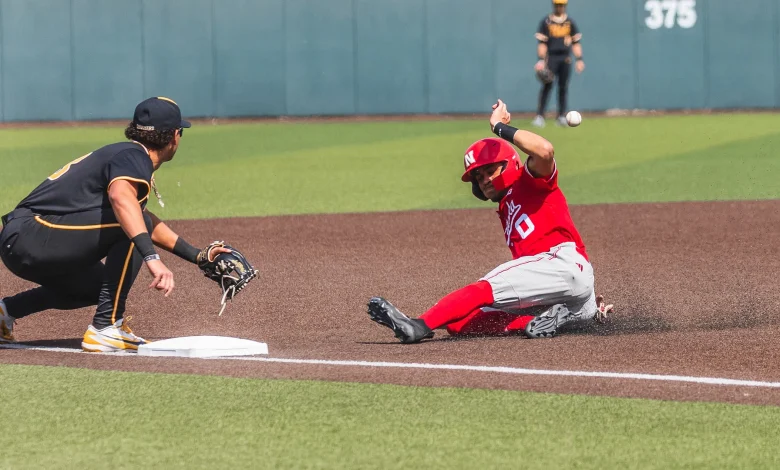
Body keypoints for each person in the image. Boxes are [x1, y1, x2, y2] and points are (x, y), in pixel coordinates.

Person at [0, 97, 252, 352]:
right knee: (132, 222)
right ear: (174, 136)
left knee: (100, 287)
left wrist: (197, 256)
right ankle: (106, 327)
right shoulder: (134, 157)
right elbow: (123, 201)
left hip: (26, 240)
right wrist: (152, 258)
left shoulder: (126, 155)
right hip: (30, 234)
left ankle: (5, 312)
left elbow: (137, 215)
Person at [367, 99, 612, 343]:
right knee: (459, 324)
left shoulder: (530, 184)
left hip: (563, 264)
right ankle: (547, 320)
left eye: (489, 171)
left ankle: (417, 325)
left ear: (510, 164)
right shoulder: (506, 209)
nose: (483, 180)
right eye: (478, 176)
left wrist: (499, 127)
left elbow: (544, 150)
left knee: (483, 289)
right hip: (571, 297)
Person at [532, 0, 585, 128]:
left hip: (565, 58)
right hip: (551, 58)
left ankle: (561, 115)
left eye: (561, 5)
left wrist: (579, 59)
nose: (559, 7)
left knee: (563, 87)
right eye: (557, 5)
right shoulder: (547, 22)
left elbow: (576, 42)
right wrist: (541, 60)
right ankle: (540, 116)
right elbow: (542, 44)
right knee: (547, 85)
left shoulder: (570, 22)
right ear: (553, 5)